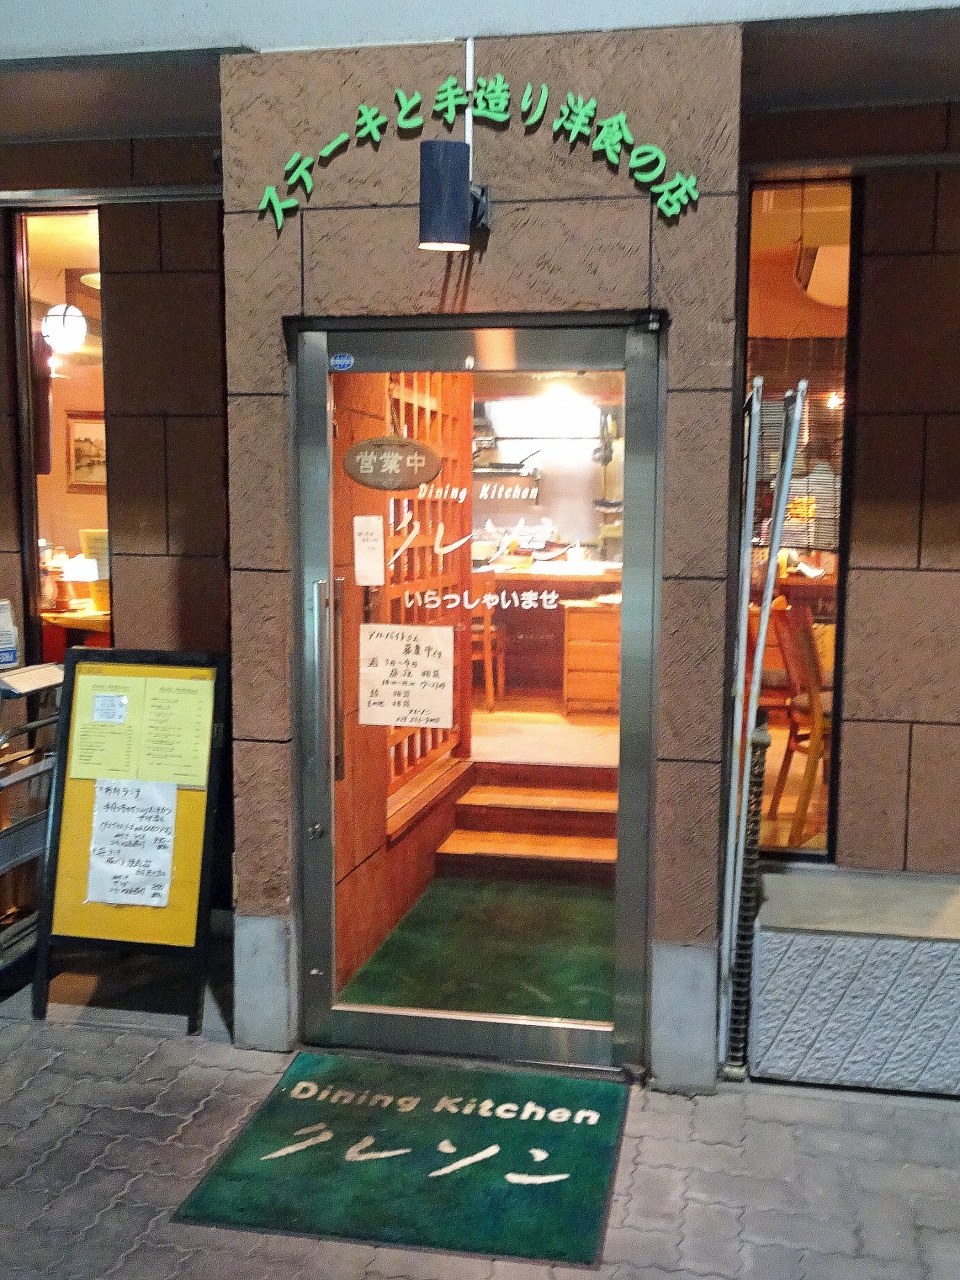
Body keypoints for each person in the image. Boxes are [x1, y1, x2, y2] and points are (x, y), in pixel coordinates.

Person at [784, 438, 841, 552]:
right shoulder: (841, 485)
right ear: (830, 459)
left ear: (807, 459)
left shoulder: (794, 486)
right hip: (837, 544)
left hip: (808, 546)